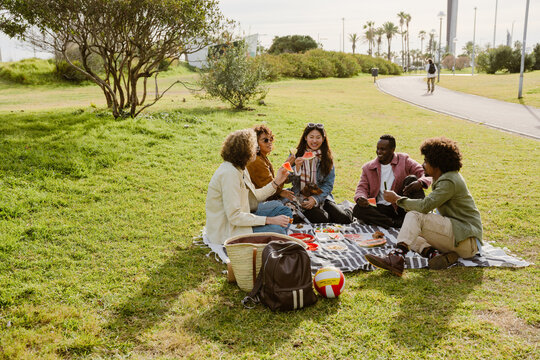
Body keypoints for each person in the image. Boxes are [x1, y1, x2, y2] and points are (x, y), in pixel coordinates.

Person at [365, 137, 483, 276]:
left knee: (414, 216)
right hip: (458, 237)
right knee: (409, 232)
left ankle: (396, 258)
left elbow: (425, 206)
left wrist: (397, 199)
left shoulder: (449, 180)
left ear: (437, 163)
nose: (423, 164)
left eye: (426, 161)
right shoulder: (444, 178)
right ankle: (434, 254)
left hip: (467, 240)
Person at [205, 129, 293, 244]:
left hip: (244, 214)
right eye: (254, 147)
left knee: (283, 210)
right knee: (277, 231)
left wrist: (276, 182)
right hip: (229, 231)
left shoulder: (241, 167)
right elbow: (234, 217)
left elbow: (254, 196)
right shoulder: (229, 174)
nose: (257, 151)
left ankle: (272, 239)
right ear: (245, 151)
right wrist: (269, 220)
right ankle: (273, 240)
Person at [353, 134, 432, 228]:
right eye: (377, 148)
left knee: (411, 179)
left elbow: (425, 172)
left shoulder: (404, 160)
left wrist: (420, 182)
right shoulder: (368, 167)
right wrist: (361, 197)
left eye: (383, 149)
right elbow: (362, 187)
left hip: (401, 204)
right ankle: (393, 223)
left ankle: (418, 216)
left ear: (393, 149)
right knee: (357, 209)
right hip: (380, 208)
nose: (379, 152)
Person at [289, 123, 352, 224]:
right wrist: (296, 167)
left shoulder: (327, 157)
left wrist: (315, 199)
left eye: (318, 137)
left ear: (323, 139)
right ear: (305, 137)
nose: (314, 141)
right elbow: (287, 179)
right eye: (311, 137)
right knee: (322, 219)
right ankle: (304, 213)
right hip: (300, 197)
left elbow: (328, 184)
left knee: (345, 219)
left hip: (322, 196)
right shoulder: (296, 154)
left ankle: (347, 206)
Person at [246, 124, 295, 202]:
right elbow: (272, 188)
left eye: (271, 139)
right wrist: (286, 166)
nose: (269, 142)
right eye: (265, 140)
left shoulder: (262, 157)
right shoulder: (256, 161)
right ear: (255, 143)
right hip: (257, 203)